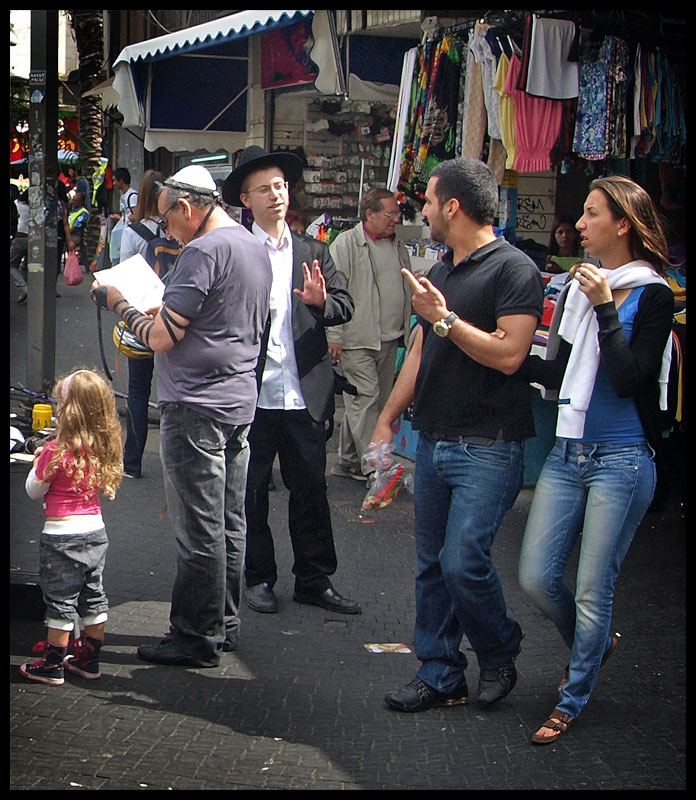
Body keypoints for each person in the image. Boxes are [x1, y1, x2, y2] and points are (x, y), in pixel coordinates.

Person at [371, 157, 544, 712]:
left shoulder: (515, 270)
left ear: (452, 206)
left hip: (489, 444)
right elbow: (423, 350)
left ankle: (499, 646)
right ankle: (441, 672)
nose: (421, 210)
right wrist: (388, 416)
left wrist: (444, 319)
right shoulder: (443, 272)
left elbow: (511, 354)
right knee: (432, 566)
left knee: (462, 561)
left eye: (427, 200)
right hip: (435, 439)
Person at [91, 165, 272, 667]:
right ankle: (223, 624)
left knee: (199, 529)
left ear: (188, 207)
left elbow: (161, 338)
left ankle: (195, 636)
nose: (167, 229)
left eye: (168, 217)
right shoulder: (252, 245)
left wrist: (120, 303)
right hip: (237, 401)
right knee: (229, 522)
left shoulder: (203, 251)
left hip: (196, 406)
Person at [516, 176, 674, 745]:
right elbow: (558, 372)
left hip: (623, 460)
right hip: (568, 451)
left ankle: (573, 695)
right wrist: (472, 336)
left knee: (591, 588)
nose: (578, 225)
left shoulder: (653, 295)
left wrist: (606, 306)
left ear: (623, 224)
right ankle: (596, 643)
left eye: (590, 214)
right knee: (536, 577)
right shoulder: (578, 289)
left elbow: (630, 378)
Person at [221, 146, 360, 616]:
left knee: (311, 492)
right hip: (253, 394)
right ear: (246, 200)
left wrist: (322, 303)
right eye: (264, 189)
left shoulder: (313, 251)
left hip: (305, 394)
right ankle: (259, 577)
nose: (276, 195)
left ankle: (314, 580)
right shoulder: (236, 251)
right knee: (252, 492)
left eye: (280, 185)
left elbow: (344, 306)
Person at [20, 369, 123, 685]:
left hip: (61, 537)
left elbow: (34, 490)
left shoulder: (54, 450)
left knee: (60, 601)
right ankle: (89, 660)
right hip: (95, 533)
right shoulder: (104, 446)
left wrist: (38, 464)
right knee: (93, 597)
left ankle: (53, 664)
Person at [327, 188, 413, 482]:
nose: (396, 219)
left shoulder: (398, 245)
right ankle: (376, 469)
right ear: (369, 214)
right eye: (390, 213)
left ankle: (348, 460)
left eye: (397, 213)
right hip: (356, 339)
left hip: (390, 339)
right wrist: (334, 335)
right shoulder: (346, 244)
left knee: (375, 403)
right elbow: (334, 292)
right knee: (365, 400)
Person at [117, 170, 166, 479]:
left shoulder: (132, 232)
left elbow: (122, 273)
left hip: (140, 319)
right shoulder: (174, 229)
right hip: (175, 317)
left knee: (137, 392)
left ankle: (132, 462)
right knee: (176, 392)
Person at [10, 189, 30, 303]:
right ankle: (27, 289)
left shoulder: (16, 204)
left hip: (19, 237)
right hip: (32, 239)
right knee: (26, 265)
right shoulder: (35, 209)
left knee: (12, 265)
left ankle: (24, 288)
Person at [68, 192, 90, 268]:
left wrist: (67, 234)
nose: (73, 202)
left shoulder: (83, 212)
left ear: (81, 202)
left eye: (76, 200)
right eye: (73, 200)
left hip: (75, 235)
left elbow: (76, 226)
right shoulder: (73, 211)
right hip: (69, 233)